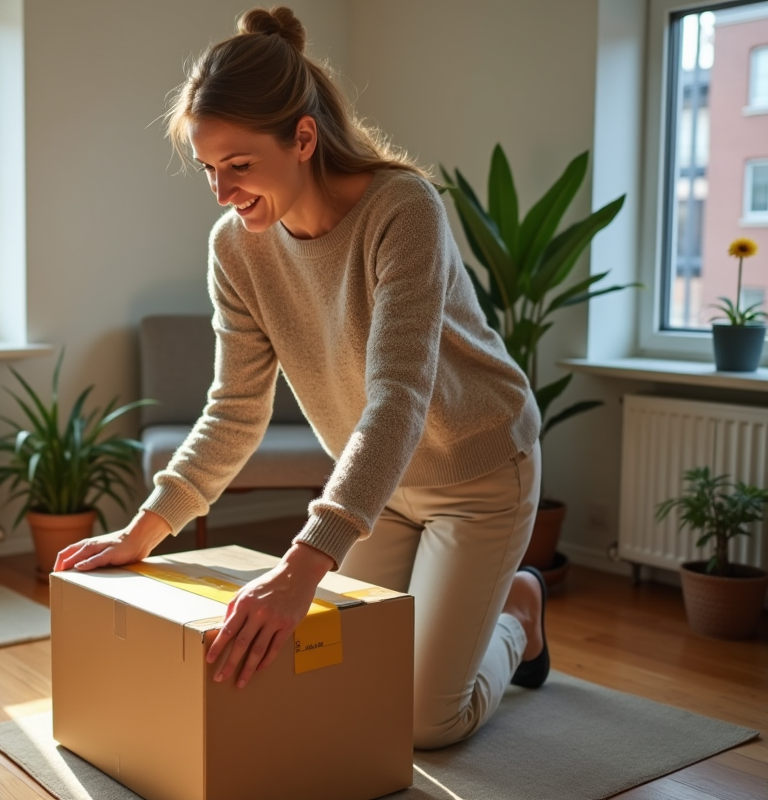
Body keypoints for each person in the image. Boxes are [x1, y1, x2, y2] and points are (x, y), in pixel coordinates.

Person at [54, 5, 547, 750]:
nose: (221, 192)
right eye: (209, 170)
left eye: (239, 166)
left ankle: (519, 617)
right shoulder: (237, 248)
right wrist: (146, 528)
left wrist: (302, 565)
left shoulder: (402, 208)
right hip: (381, 492)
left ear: (304, 139)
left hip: (476, 474)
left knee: (421, 722)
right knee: (353, 680)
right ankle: (492, 599)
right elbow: (234, 410)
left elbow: (399, 396)